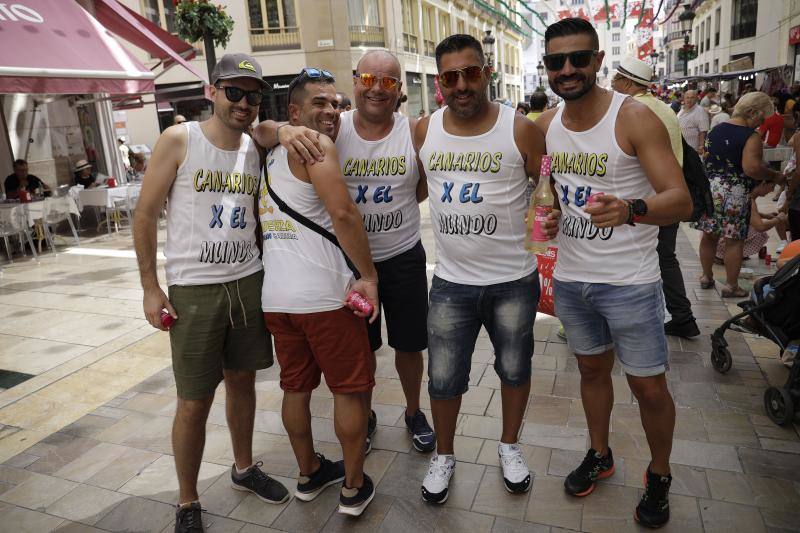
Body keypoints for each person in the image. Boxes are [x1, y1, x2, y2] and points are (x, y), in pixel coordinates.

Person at [535, 18, 692, 528]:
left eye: (578, 58)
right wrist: (552, 211)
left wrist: (631, 210)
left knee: (648, 389)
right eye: (557, 61)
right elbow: (552, 191)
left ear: (599, 60)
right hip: (574, 279)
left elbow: (680, 200)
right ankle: (599, 454)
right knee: (590, 371)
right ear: (547, 68)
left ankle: (660, 474)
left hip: (630, 282)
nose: (568, 69)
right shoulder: (546, 126)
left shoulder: (634, 117)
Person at [132, 53, 289, 533]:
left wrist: (281, 130)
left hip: (247, 280)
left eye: (253, 95)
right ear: (213, 92)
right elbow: (144, 214)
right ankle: (186, 500)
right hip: (195, 289)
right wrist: (150, 287)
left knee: (243, 383)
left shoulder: (253, 146)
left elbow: (269, 132)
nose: (244, 102)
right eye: (234, 91)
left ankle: (243, 467)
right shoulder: (180, 139)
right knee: (194, 400)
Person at [254, 51, 436, 454]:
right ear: (356, 81)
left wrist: (399, 206)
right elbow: (262, 130)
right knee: (364, 348)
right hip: (352, 265)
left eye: (389, 82)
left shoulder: (413, 131)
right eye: (369, 78)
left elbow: (423, 184)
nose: (377, 89)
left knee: (409, 344)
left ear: (400, 90)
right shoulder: (335, 125)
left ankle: (412, 411)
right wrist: (282, 130)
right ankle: (366, 416)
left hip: (403, 253)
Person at [415, 34, 557, 504]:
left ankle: (510, 446)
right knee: (442, 377)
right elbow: (414, 188)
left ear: (487, 72)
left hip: (513, 282)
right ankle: (445, 453)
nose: (461, 84)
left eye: (470, 72)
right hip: (451, 282)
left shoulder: (521, 130)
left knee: (514, 369)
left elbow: (548, 189)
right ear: (440, 83)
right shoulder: (423, 130)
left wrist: (550, 218)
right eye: (451, 76)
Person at [259, 68, 380, 517]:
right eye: (319, 103)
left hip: (278, 299)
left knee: (295, 388)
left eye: (335, 103)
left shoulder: (269, 152)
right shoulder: (317, 147)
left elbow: (259, 128)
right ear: (294, 111)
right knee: (349, 390)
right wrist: (369, 277)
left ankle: (308, 472)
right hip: (326, 299)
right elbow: (344, 214)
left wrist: (278, 129)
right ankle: (352, 485)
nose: (331, 111)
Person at [611, 56, 700, 338]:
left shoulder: (634, 111)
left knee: (646, 260)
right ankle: (682, 316)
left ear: (627, 82)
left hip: (648, 202)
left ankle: (644, 322)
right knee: (665, 257)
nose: (612, 84)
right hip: (669, 197)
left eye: (615, 79)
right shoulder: (662, 107)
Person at [692, 91, 782, 298]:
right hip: (734, 192)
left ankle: (706, 276)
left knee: (709, 235)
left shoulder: (715, 130)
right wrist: (773, 175)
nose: (760, 123)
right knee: (734, 240)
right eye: (761, 117)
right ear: (752, 112)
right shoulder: (750, 136)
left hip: (710, 189)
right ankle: (731, 286)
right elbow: (751, 168)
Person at [678, 89, 709, 154]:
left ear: (696, 99)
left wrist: (701, 146)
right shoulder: (682, 109)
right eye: (687, 98)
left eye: (692, 97)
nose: (689, 100)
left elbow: (703, 131)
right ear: (684, 99)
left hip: (693, 148)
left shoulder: (700, 111)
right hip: (681, 146)